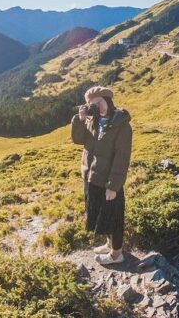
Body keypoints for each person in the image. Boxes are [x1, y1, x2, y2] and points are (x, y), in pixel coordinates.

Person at [70, 85, 133, 265]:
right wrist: (80, 120)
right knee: (101, 214)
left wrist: (113, 186)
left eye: (99, 102)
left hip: (108, 180)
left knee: (113, 216)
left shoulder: (121, 126)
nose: (97, 107)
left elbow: (122, 158)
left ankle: (117, 254)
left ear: (108, 100)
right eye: (92, 104)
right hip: (92, 177)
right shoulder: (93, 121)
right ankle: (109, 244)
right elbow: (78, 140)